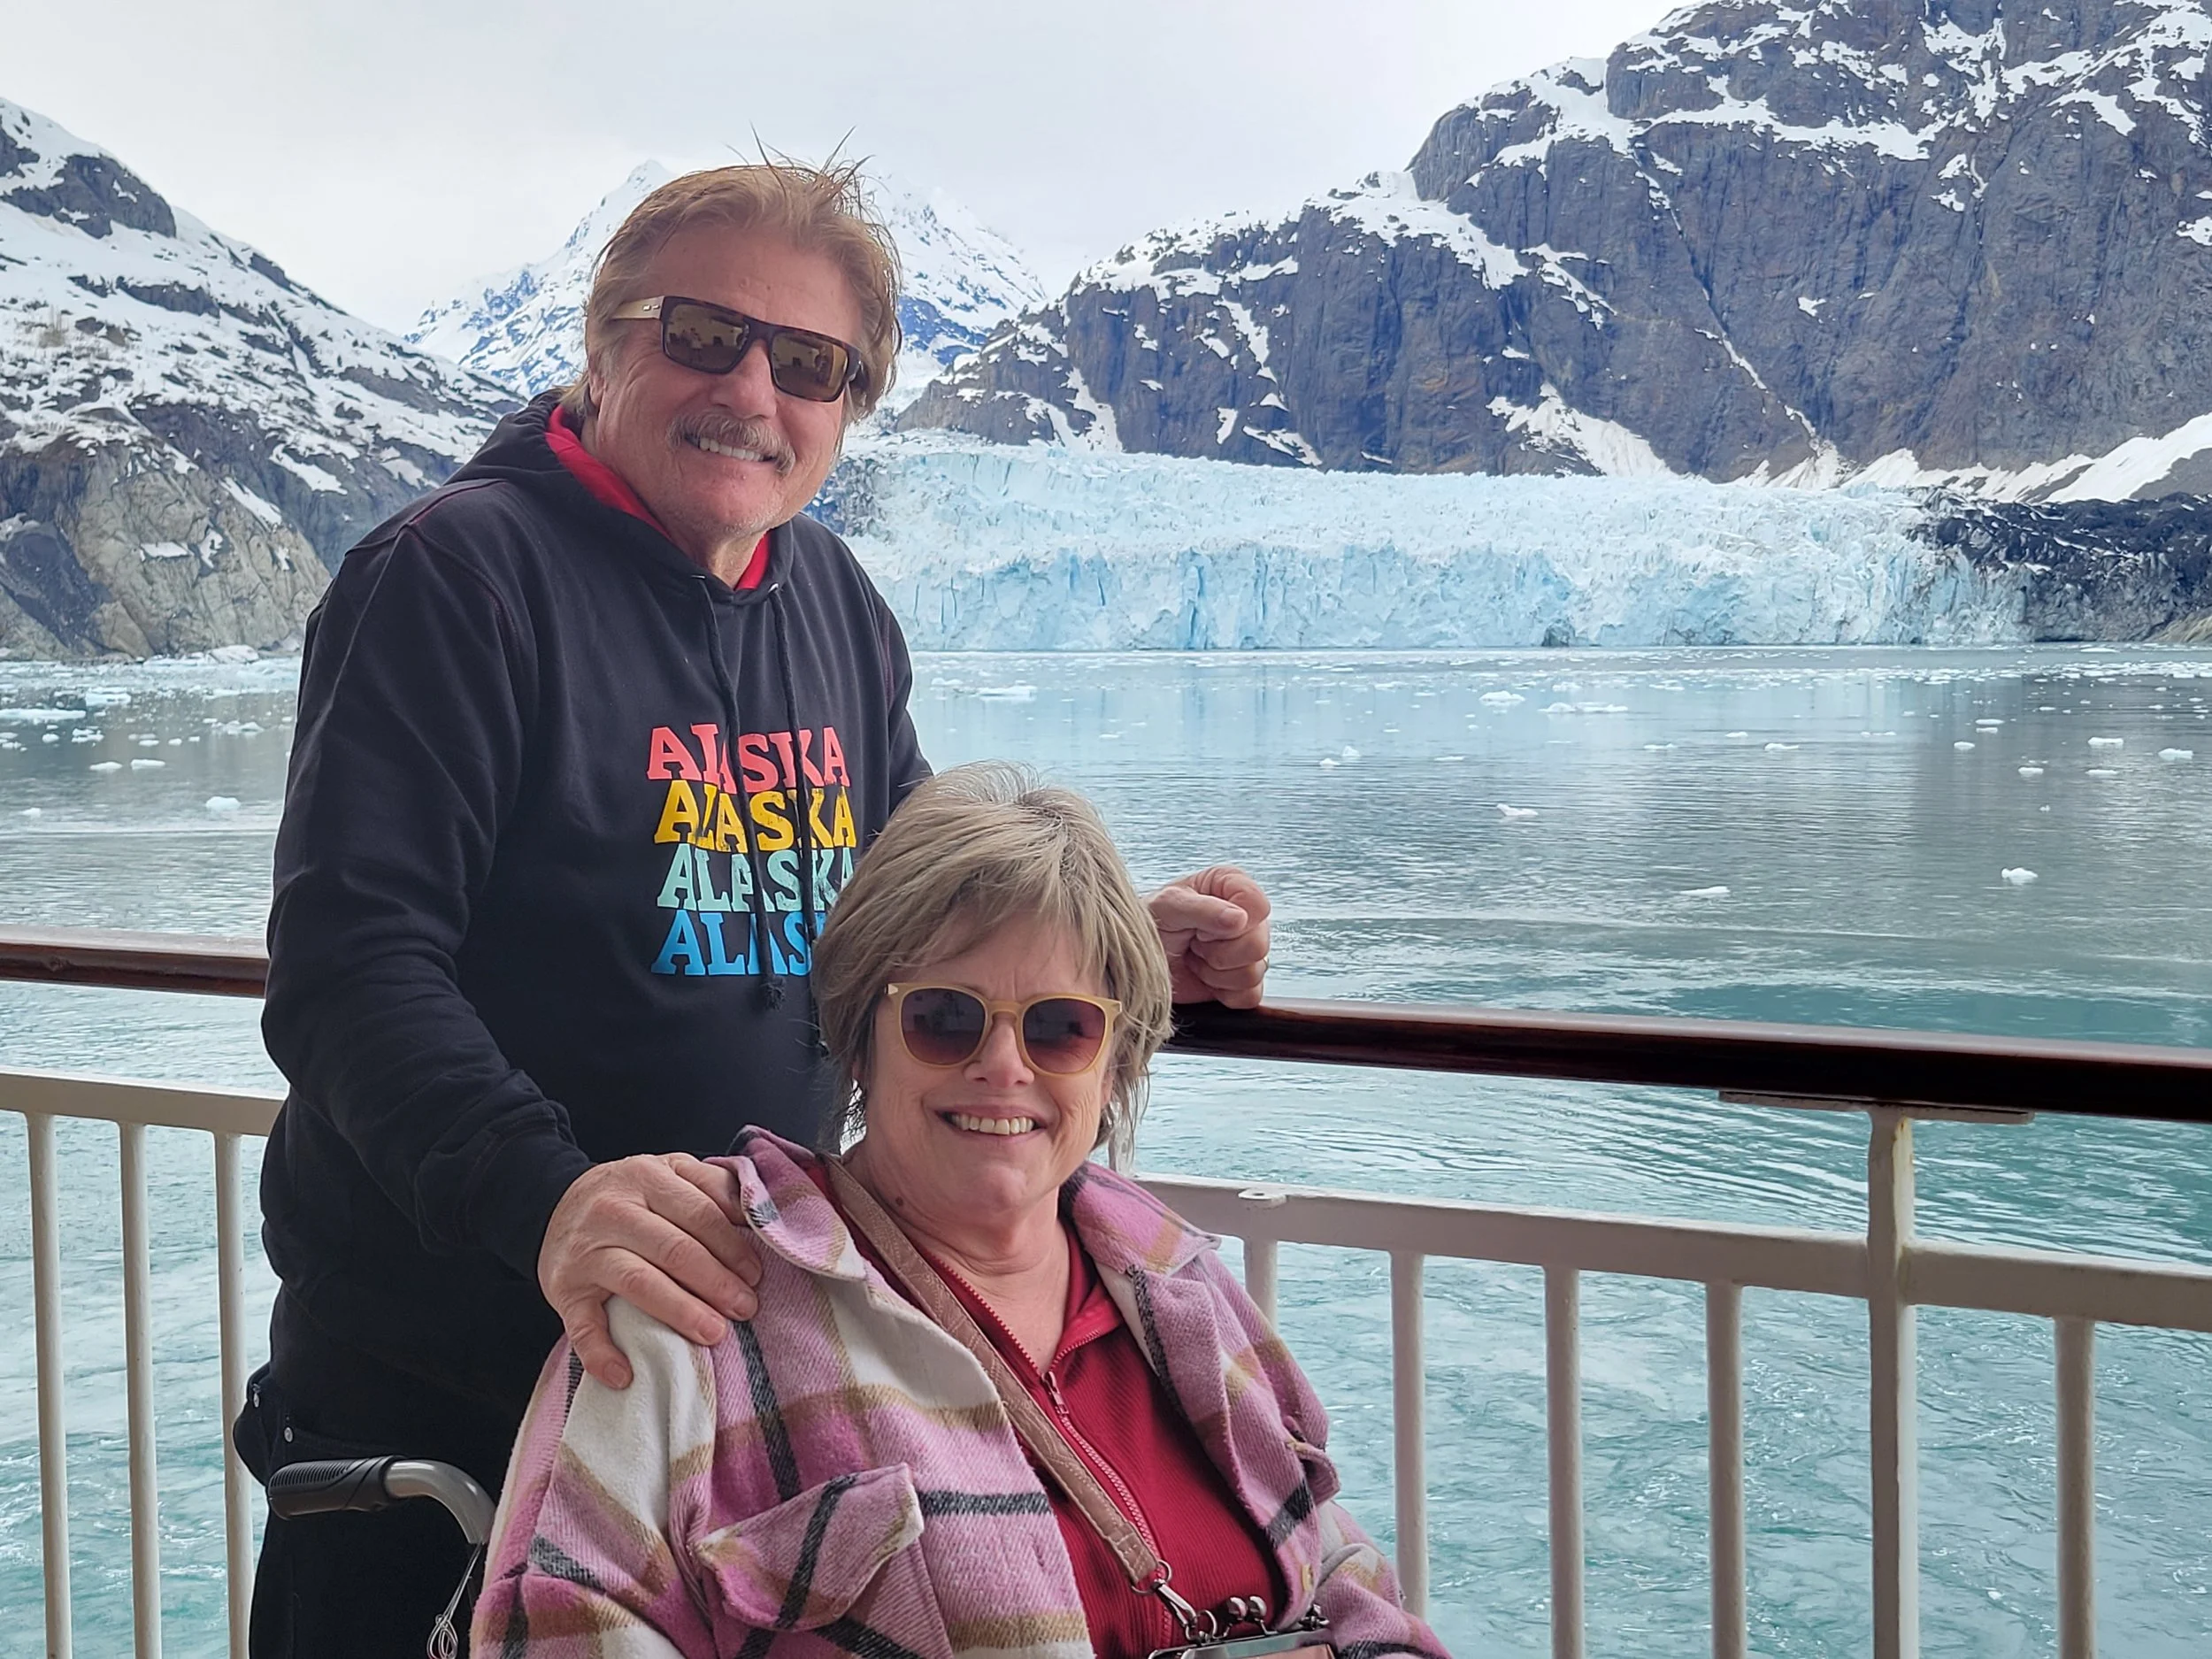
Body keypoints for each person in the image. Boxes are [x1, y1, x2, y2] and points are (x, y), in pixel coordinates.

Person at [240, 163, 1273, 1657]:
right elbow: (351, 967)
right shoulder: (455, 578)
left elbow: (921, 900)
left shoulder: (832, 601)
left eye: (808, 364)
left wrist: (1111, 946)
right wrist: (550, 1200)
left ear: (848, 409)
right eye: (702, 334)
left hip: (728, 1390)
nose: (752, 391)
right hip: (448, 1406)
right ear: (603, 345)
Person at [472, 764, 1444, 1659]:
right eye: (945, 1017)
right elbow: (554, 1628)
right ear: (859, 1039)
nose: (1004, 1066)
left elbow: (1350, 1585)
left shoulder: (1180, 1284)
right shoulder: (697, 1308)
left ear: (1111, 1065)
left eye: (1062, 1026)